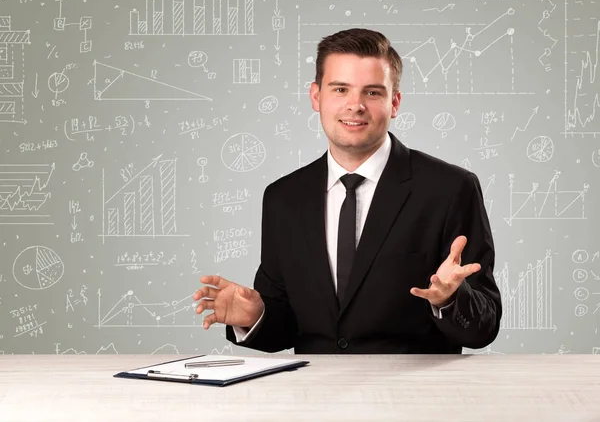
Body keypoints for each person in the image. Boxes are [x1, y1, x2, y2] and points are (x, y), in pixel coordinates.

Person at [193, 28, 502, 354]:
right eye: (340, 89)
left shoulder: (450, 189)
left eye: (372, 93)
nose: (355, 106)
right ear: (316, 97)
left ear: (394, 102)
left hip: (413, 396)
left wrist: (450, 299)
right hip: (313, 396)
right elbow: (289, 328)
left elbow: (485, 327)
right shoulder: (283, 198)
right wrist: (255, 316)